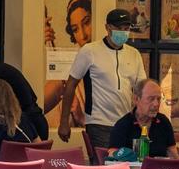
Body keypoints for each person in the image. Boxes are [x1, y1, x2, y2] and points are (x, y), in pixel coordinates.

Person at [51, 9, 146, 149]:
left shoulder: (134, 54)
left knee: (128, 161)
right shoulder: (89, 51)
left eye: (126, 29)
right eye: (119, 28)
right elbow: (71, 84)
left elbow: (142, 89)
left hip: (126, 123)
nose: (123, 32)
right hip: (99, 123)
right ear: (107, 27)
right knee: (105, 162)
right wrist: (64, 121)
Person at [110, 79, 179, 159]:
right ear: (136, 99)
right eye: (151, 99)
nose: (156, 104)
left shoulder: (163, 122)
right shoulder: (123, 125)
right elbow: (112, 156)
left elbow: (173, 155)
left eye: (158, 99)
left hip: (159, 167)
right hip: (132, 167)